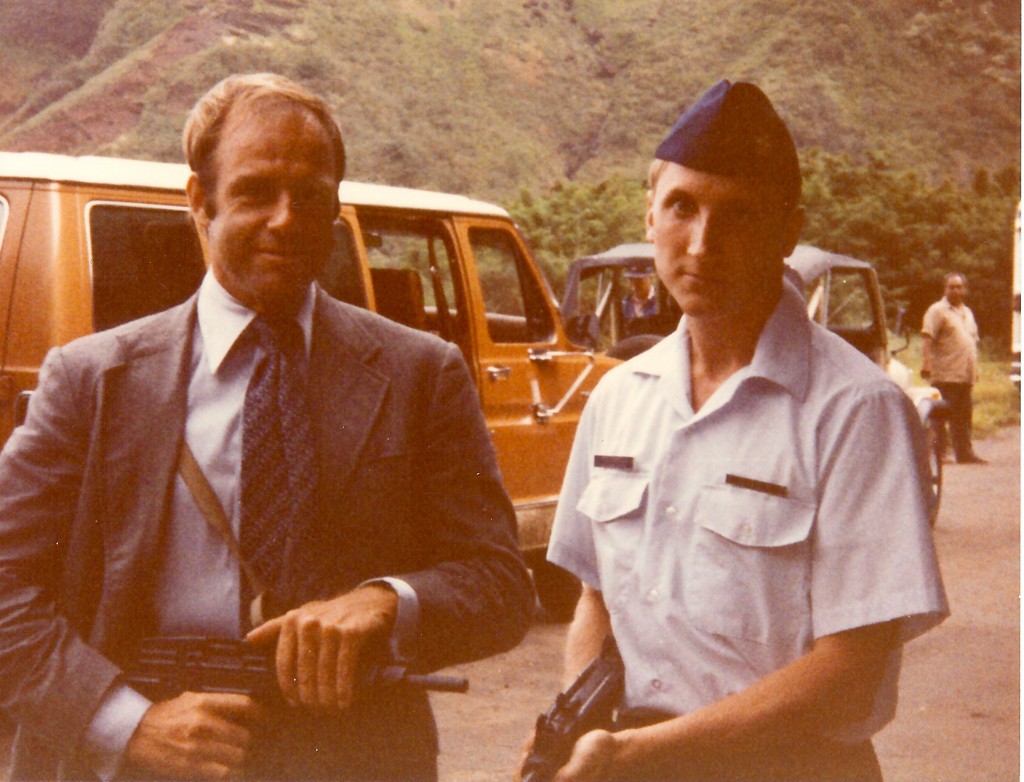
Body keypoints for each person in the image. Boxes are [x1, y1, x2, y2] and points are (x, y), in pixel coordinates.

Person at [0, 73, 534, 781]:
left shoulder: (419, 372)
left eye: (311, 196)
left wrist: (387, 602)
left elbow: (501, 584)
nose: (287, 219)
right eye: (255, 192)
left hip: (357, 754)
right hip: (149, 758)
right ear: (201, 202)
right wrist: (127, 725)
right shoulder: (92, 379)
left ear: (335, 209)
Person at [523, 80, 948, 781]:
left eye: (739, 215)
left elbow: (850, 670)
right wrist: (576, 728)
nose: (702, 242)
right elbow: (596, 598)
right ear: (649, 214)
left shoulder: (856, 409)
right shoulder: (619, 397)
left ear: (788, 231)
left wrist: (634, 754)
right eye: (681, 207)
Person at [921, 273, 987, 464]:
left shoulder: (967, 312)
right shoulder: (937, 311)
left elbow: (972, 342)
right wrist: (926, 363)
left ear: (964, 289)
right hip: (945, 373)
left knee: (964, 415)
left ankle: (964, 453)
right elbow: (927, 338)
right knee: (941, 415)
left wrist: (975, 369)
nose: (956, 290)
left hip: (964, 374)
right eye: (952, 287)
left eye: (959, 287)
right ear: (945, 289)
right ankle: (938, 454)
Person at [621, 270, 659, 337]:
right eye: (631, 280)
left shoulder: (661, 300)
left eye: (639, 280)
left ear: (650, 277)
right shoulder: (625, 304)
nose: (635, 284)